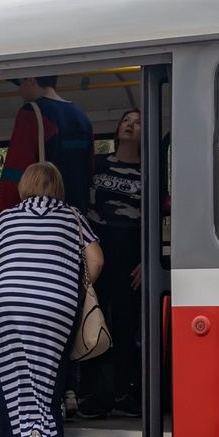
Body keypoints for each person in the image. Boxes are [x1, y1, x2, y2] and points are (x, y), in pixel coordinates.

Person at [0, 159, 103, 437]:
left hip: (10, 306)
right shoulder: (73, 217)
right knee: (48, 378)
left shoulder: (6, 218)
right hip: (57, 304)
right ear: (58, 188)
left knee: (14, 379)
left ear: (25, 187)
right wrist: (79, 289)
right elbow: (97, 259)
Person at [81, 109, 148, 417]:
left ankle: (124, 392)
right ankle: (89, 395)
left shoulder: (150, 169)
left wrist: (148, 260)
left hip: (131, 257)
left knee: (125, 325)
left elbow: (157, 218)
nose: (130, 126)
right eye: (126, 121)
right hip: (96, 251)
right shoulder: (97, 163)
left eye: (138, 123)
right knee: (92, 321)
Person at [0, 75, 94, 213]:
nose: (19, 90)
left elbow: (15, 172)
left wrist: (5, 215)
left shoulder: (31, 113)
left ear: (31, 79)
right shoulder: (82, 118)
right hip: (76, 215)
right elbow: (89, 171)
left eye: (20, 83)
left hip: (43, 215)